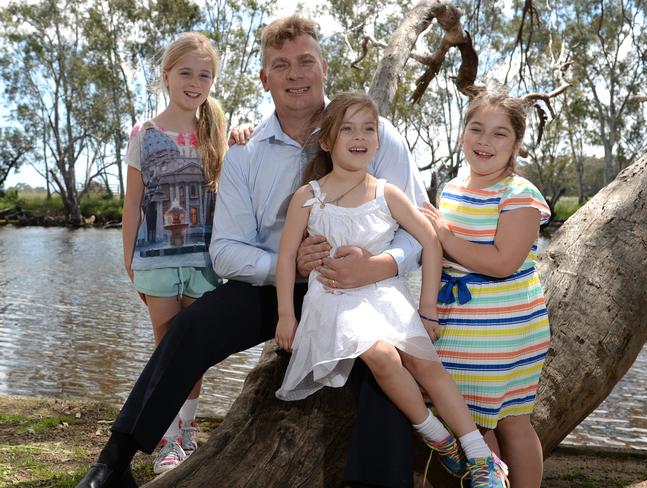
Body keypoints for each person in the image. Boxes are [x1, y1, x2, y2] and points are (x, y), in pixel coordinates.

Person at [77, 15, 425, 488]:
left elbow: (418, 230)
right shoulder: (244, 151)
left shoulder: (374, 134)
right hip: (271, 289)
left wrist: (381, 264)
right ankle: (114, 461)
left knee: (387, 360)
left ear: (324, 67)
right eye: (280, 66)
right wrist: (288, 266)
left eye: (305, 61)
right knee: (192, 327)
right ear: (265, 80)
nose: (295, 74)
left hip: (362, 288)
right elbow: (224, 251)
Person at [274, 92, 509, 487]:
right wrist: (286, 315)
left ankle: (481, 457)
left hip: (384, 293)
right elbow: (285, 260)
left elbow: (430, 241)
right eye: (347, 128)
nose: (359, 136)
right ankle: (434, 433)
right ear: (327, 141)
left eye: (369, 128)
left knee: (424, 364)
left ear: (378, 141)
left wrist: (427, 307)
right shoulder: (308, 197)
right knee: (382, 355)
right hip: (333, 298)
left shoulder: (387, 193)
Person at [420, 89, 552, 488]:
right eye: (476, 129)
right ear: (462, 134)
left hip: (506, 320)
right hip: (459, 317)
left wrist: (443, 235)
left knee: (509, 419)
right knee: (470, 417)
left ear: (516, 143)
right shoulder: (450, 188)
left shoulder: (520, 195)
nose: (484, 141)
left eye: (498, 134)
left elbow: (502, 262)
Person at [121, 32, 228, 474]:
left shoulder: (215, 133)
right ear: (167, 76)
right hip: (156, 262)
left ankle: (186, 432)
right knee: (166, 351)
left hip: (203, 261)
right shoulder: (143, 134)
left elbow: (224, 200)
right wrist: (129, 264)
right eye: (186, 72)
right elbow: (132, 205)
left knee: (196, 350)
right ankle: (164, 441)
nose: (195, 82)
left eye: (204, 75)